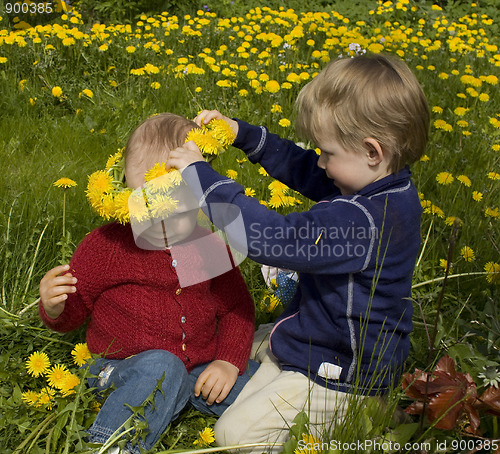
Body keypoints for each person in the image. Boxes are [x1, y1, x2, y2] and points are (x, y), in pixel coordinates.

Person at [167, 54, 430, 450]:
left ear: (372, 151)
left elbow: (272, 239)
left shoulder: (363, 221)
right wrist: (242, 133)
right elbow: (305, 168)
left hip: (343, 373)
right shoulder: (379, 187)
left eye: (327, 151)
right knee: (240, 347)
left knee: (232, 435)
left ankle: (368, 420)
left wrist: (202, 178)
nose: (320, 163)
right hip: (324, 338)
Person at [38, 113, 257, 454]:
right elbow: (76, 310)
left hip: (197, 367)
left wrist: (226, 361)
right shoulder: (107, 246)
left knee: (256, 384)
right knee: (160, 366)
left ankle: (294, 424)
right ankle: (115, 444)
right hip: (118, 369)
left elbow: (237, 308)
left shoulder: (208, 246)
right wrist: (56, 306)